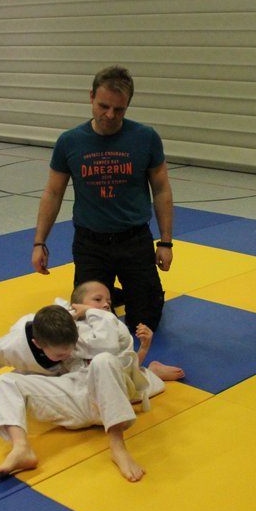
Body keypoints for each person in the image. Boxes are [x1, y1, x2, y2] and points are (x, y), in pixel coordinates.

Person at [0, 281, 184, 482]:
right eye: (98, 299)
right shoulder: (65, 330)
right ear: (75, 305)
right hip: (74, 399)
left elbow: (113, 354)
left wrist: (95, 312)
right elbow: (21, 350)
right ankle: (21, 448)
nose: (106, 304)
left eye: (109, 301)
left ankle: (118, 447)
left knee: (103, 361)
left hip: (109, 403)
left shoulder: (113, 326)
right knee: (5, 381)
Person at [31, 65, 175, 336]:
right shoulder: (70, 141)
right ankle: (109, 292)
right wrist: (40, 242)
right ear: (91, 97)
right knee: (90, 327)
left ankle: (130, 292)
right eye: (103, 106)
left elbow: (161, 189)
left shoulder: (145, 138)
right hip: (91, 244)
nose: (110, 115)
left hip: (134, 241)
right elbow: (53, 193)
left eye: (119, 110)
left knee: (145, 323)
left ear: (128, 105)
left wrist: (165, 242)